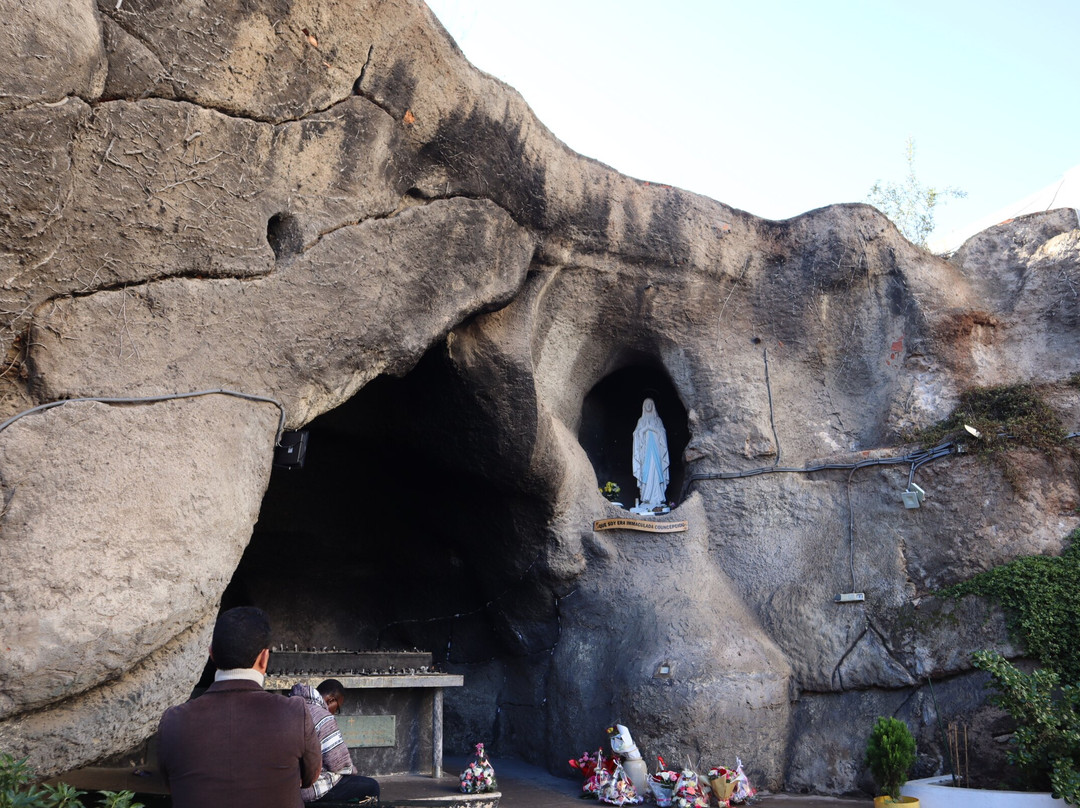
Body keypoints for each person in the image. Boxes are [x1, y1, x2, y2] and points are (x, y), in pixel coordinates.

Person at [158, 607, 322, 808]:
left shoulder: (173, 721)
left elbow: (172, 784)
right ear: (264, 657)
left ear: (211, 655)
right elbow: (310, 778)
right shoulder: (295, 713)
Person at [291, 678, 381, 804]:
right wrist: (352, 770)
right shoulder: (323, 716)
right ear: (331, 700)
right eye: (337, 708)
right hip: (309, 790)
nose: (334, 713)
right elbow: (338, 763)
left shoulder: (290, 707)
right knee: (371, 787)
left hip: (287, 784)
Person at [631, 397, 670, 513]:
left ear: (653, 406)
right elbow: (636, 435)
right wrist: (643, 430)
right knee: (646, 473)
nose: (648, 405)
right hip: (645, 453)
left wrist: (651, 428)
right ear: (643, 406)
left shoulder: (657, 420)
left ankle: (658, 498)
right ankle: (646, 498)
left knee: (657, 473)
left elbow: (662, 433)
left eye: (650, 403)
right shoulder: (641, 421)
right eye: (646, 403)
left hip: (656, 453)